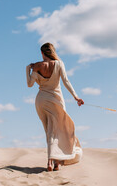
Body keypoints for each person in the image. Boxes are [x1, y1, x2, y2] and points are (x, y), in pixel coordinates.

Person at [26, 42, 84, 172]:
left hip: (41, 100)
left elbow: (30, 84)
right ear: (52, 52)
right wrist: (76, 97)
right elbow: (66, 81)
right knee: (57, 130)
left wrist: (27, 69)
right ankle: (56, 163)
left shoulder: (37, 66)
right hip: (56, 100)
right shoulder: (59, 64)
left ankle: (50, 162)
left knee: (48, 130)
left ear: (42, 53)